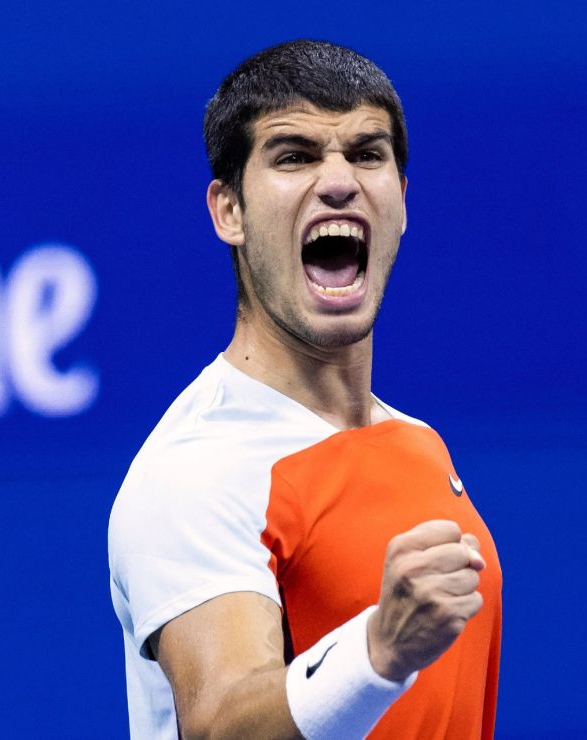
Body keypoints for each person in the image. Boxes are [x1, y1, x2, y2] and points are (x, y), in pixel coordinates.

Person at [108, 40, 502, 739]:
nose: (340, 180)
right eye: (295, 155)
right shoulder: (196, 470)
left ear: (402, 203)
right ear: (228, 211)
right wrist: (378, 649)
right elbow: (220, 724)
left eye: (366, 153)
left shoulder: (417, 443)